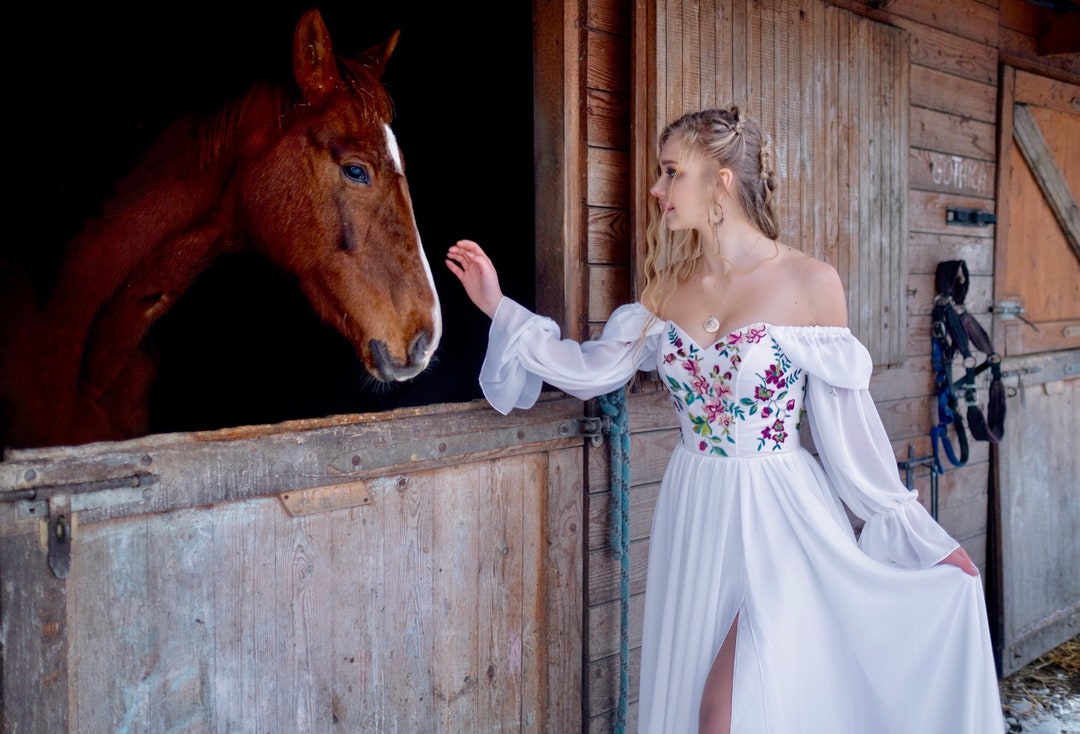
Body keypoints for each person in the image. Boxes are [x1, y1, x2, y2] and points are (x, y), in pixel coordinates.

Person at [446, 106, 1004, 734]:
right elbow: (589, 369)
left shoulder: (810, 282)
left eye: (669, 173)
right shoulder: (666, 291)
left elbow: (849, 431)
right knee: (704, 706)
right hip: (697, 512)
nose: (656, 190)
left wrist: (918, 534)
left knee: (724, 712)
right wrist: (498, 306)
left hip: (784, 516)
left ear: (721, 182)